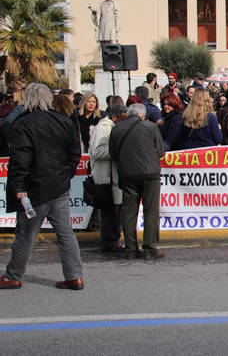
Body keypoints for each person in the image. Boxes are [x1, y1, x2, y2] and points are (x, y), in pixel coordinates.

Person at [0, 83, 84, 290]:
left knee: (26, 234)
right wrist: (65, 176)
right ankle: (75, 276)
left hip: (34, 188)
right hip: (59, 185)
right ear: (48, 98)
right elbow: (75, 154)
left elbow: (21, 159)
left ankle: (13, 275)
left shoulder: (23, 124)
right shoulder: (64, 121)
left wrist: (19, 187)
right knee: (65, 233)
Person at [109, 103, 166, 260]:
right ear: (142, 115)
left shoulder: (117, 129)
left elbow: (113, 154)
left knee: (129, 212)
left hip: (127, 174)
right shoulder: (151, 127)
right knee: (151, 211)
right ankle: (149, 248)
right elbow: (161, 152)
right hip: (150, 174)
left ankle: (131, 249)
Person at [89, 101, 127, 253]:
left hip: (113, 178)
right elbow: (97, 152)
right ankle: (109, 243)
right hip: (106, 178)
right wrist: (116, 151)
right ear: (115, 117)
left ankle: (114, 241)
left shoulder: (113, 127)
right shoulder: (103, 128)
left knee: (115, 211)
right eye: (122, 117)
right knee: (109, 213)